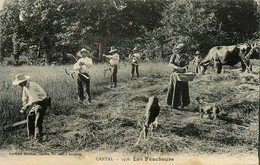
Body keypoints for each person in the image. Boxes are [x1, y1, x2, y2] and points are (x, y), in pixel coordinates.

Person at [12, 73, 50, 141]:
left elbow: (34, 99)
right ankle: (31, 135)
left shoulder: (31, 86)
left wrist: (25, 107)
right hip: (36, 103)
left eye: (20, 83)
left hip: (42, 102)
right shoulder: (25, 87)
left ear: (24, 81)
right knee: (30, 116)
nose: (19, 85)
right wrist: (24, 105)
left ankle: (38, 137)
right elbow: (25, 97)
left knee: (38, 119)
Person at [166, 43, 190, 110]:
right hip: (174, 75)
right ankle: (173, 104)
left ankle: (183, 104)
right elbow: (170, 64)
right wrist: (176, 67)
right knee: (174, 88)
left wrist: (183, 69)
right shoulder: (174, 55)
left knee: (183, 89)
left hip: (183, 75)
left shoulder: (186, 57)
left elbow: (187, 66)